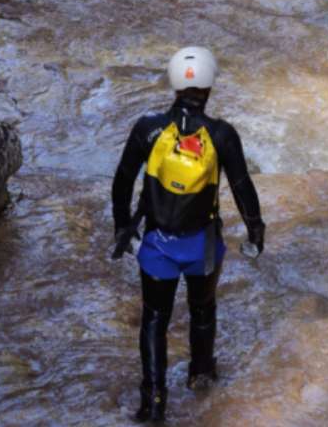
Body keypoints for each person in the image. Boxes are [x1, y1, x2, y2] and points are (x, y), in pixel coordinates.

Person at [111, 46, 265, 422]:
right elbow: (242, 188)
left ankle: (153, 401)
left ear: (174, 84)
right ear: (209, 87)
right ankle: (201, 375)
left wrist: (122, 227)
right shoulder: (222, 134)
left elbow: (122, 181)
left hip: (157, 246)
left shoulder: (147, 129)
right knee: (203, 309)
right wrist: (255, 231)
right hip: (203, 246)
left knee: (154, 318)